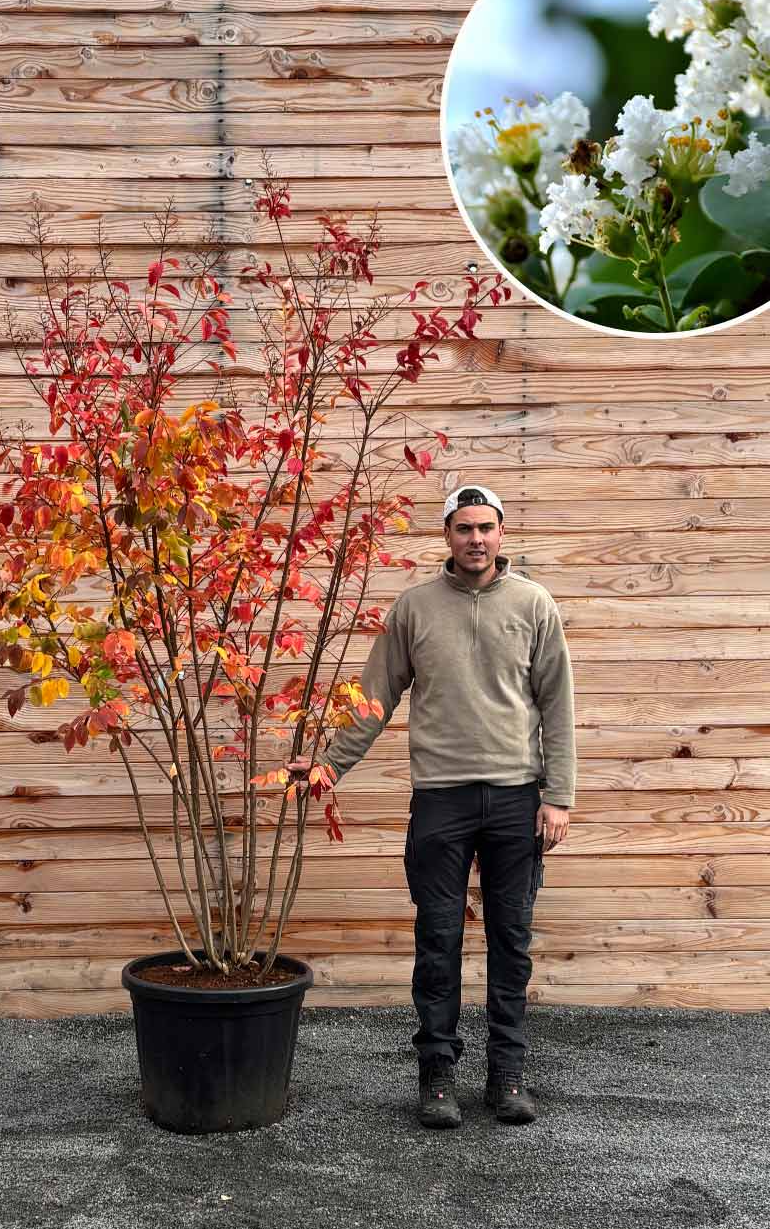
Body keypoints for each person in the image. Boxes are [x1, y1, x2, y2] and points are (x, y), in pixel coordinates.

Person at [293, 484, 575, 1129]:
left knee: (511, 941)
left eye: (486, 527)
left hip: (515, 798)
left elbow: (557, 705)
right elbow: (374, 698)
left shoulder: (533, 604)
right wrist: (330, 765)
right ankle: (438, 1076)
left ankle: (506, 1077)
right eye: (463, 528)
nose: (476, 539)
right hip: (440, 800)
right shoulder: (414, 608)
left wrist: (558, 796)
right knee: (438, 939)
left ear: (500, 534)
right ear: (447, 535)